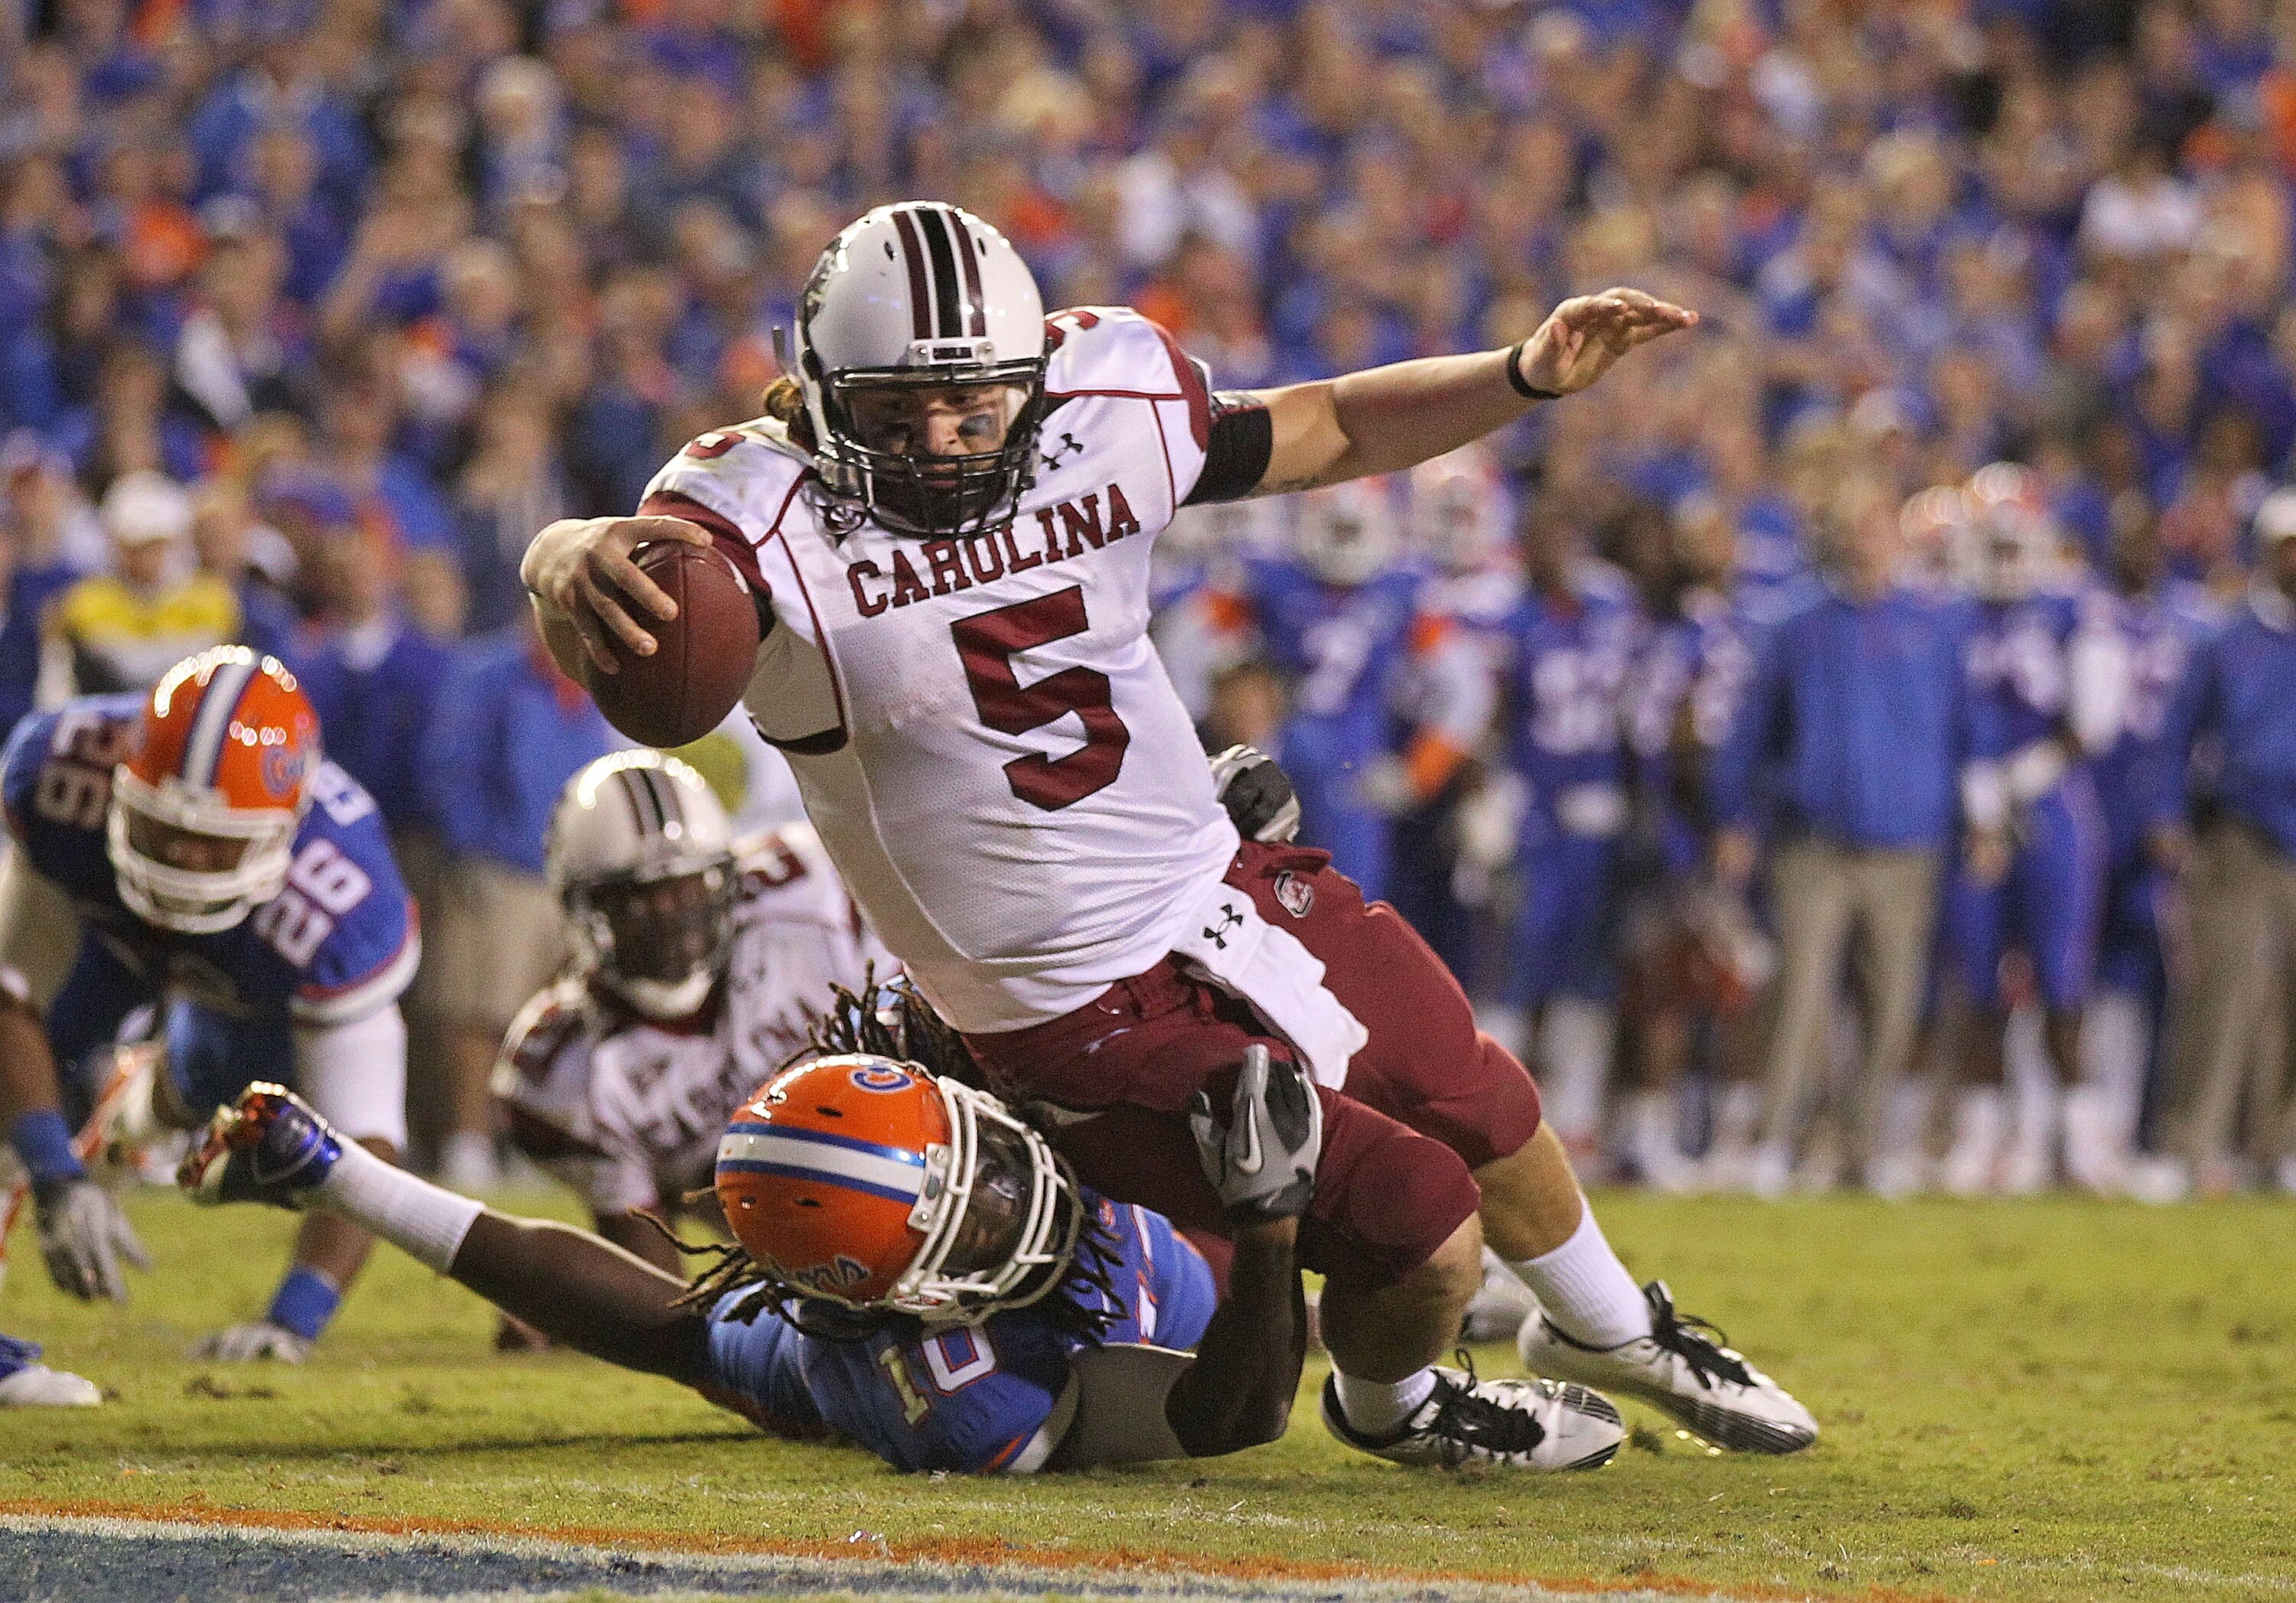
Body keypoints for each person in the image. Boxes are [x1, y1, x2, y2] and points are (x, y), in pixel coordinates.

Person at [523, 201, 1813, 1464]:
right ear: (810, 397)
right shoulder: (756, 515)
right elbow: (627, 615)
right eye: (893, 410)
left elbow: (1334, 423)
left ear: (1030, 379)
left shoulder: (1106, 396)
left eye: (974, 404)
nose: (942, 440)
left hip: (1214, 881)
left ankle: (1607, 1327)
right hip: (1066, 1003)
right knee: (1423, 1223)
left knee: (1471, 1087)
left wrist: (1521, 374)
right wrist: (561, 554)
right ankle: (1397, 1407)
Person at [178, 1006, 1622, 1472]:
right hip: (1115, 1354)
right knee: (688, 1340)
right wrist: (1269, 1217)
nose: (1013, 1190)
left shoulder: (956, 1136)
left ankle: (1449, 1336)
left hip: (1150, 1265)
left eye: (979, 1166)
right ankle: (334, 1174)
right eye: (979, 1211)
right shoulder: (955, 1385)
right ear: (909, 1293)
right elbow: (1227, 1419)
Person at [0, 646, 419, 1359]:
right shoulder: (62, 769)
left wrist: (293, 1321)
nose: (183, 864)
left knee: (233, 1090)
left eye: (213, 846)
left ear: (285, 832)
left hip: (244, 978)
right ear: (124, 782)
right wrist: (52, 1173)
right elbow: (11, 992)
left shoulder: (341, 895)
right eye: (165, 830)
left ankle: (136, 1114)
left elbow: (367, 1142)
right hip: (103, 926)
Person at [498, 749, 889, 1271]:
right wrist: (585, 1303)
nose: (670, 919)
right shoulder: (559, 1070)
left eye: (689, 889)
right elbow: (659, 1285)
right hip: (785, 1258)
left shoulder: (813, 897)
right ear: (582, 911)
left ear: (728, 878)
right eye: (637, 900)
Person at [1712, 475, 1976, 1197]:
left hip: (1907, 842)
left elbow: (1965, 732)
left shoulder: (1937, 623)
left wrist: (1977, 816)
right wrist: (1735, 816)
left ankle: (1865, 1148)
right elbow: (1751, 729)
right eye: (1857, 528)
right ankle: (1772, 1140)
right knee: (1800, 994)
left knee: (1893, 1002)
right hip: (1814, 839)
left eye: (1879, 527)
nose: (1869, 542)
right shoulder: (1796, 624)